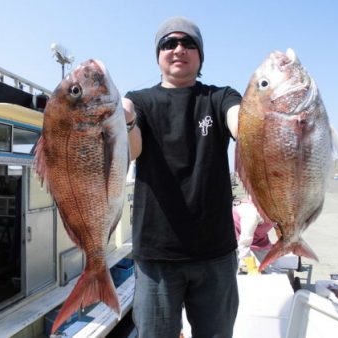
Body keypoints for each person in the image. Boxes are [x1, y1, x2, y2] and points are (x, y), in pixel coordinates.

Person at [122, 16, 242, 338]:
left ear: (200, 55)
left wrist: (262, 120)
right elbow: (133, 151)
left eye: (188, 43)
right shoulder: (140, 101)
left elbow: (240, 122)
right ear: (158, 54)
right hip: (156, 255)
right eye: (169, 43)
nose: (179, 49)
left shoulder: (220, 97)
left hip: (216, 253)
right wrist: (127, 119)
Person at [232, 197, 275, 271]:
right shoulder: (252, 214)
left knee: (272, 269)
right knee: (240, 268)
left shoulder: (277, 211)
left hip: (259, 238)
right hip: (236, 237)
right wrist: (251, 267)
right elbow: (243, 244)